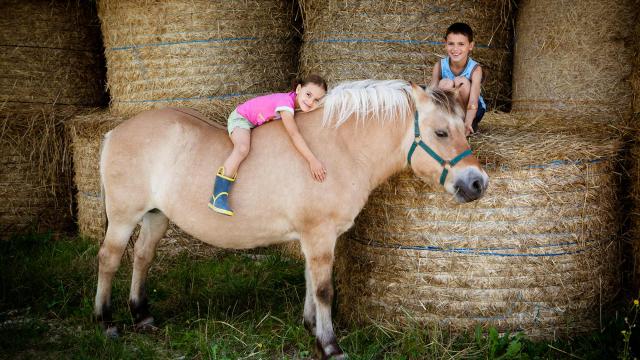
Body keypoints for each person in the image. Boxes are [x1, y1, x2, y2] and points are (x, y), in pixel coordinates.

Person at [208, 75, 328, 216]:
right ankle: (218, 196)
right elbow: (294, 134)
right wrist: (312, 160)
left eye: (316, 100)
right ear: (298, 88)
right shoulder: (285, 104)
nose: (310, 101)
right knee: (242, 149)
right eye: (308, 94)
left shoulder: (295, 103)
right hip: (242, 118)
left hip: (257, 123)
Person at [430, 22, 486, 136]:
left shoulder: (476, 69)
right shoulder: (439, 66)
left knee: (461, 82)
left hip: (473, 110)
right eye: (451, 44)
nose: (455, 49)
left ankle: (465, 125)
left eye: (461, 44)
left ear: (470, 46)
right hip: (450, 111)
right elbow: (432, 95)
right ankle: (448, 122)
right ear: (445, 44)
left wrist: (469, 121)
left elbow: (473, 101)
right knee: (445, 83)